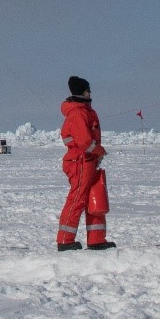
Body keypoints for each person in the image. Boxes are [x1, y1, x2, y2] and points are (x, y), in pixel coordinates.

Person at [57, 75, 114, 250]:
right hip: (80, 162)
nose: (90, 93)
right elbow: (84, 142)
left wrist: (96, 155)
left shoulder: (86, 110)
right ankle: (65, 240)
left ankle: (96, 239)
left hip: (89, 162)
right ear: (82, 91)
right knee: (77, 199)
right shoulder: (78, 113)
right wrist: (99, 150)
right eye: (88, 90)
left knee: (94, 198)